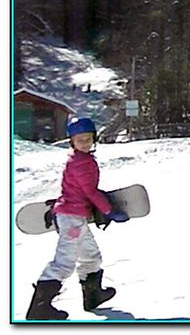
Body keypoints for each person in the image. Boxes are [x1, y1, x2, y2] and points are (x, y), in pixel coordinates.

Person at [26, 117, 129, 320]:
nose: (85, 143)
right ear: (72, 141)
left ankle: (93, 296)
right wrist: (108, 210)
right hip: (71, 218)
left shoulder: (78, 158)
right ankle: (40, 307)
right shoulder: (82, 163)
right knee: (64, 262)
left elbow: (83, 191)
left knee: (91, 255)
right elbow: (90, 192)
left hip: (75, 216)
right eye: (80, 139)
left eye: (88, 139)